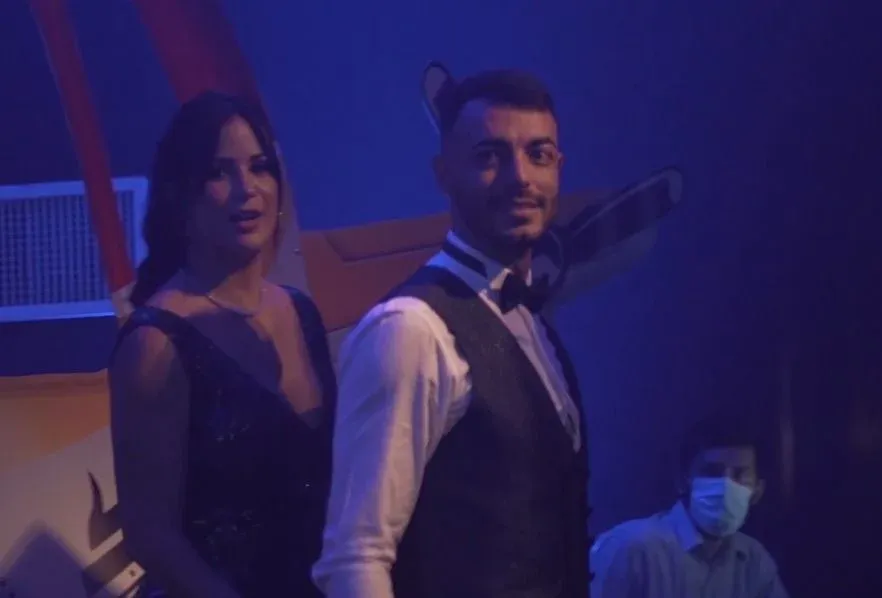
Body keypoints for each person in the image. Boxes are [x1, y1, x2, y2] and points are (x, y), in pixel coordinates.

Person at [313, 69, 590, 598]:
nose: (520, 178)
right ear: (444, 174)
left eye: (538, 154)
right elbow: (354, 560)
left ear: (559, 168)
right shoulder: (410, 330)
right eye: (490, 156)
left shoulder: (533, 323)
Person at [109, 91, 335, 598]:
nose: (246, 189)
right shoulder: (155, 343)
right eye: (219, 172)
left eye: (260, 167)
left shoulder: (300, 312)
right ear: (181, 195)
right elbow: (150, 534)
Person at [590, 413, 789, 597]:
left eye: (739, 475)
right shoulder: (629, 548)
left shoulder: (754, 560)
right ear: (682, 481)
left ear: (758, 490)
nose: (726, 485)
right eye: (712, 472)